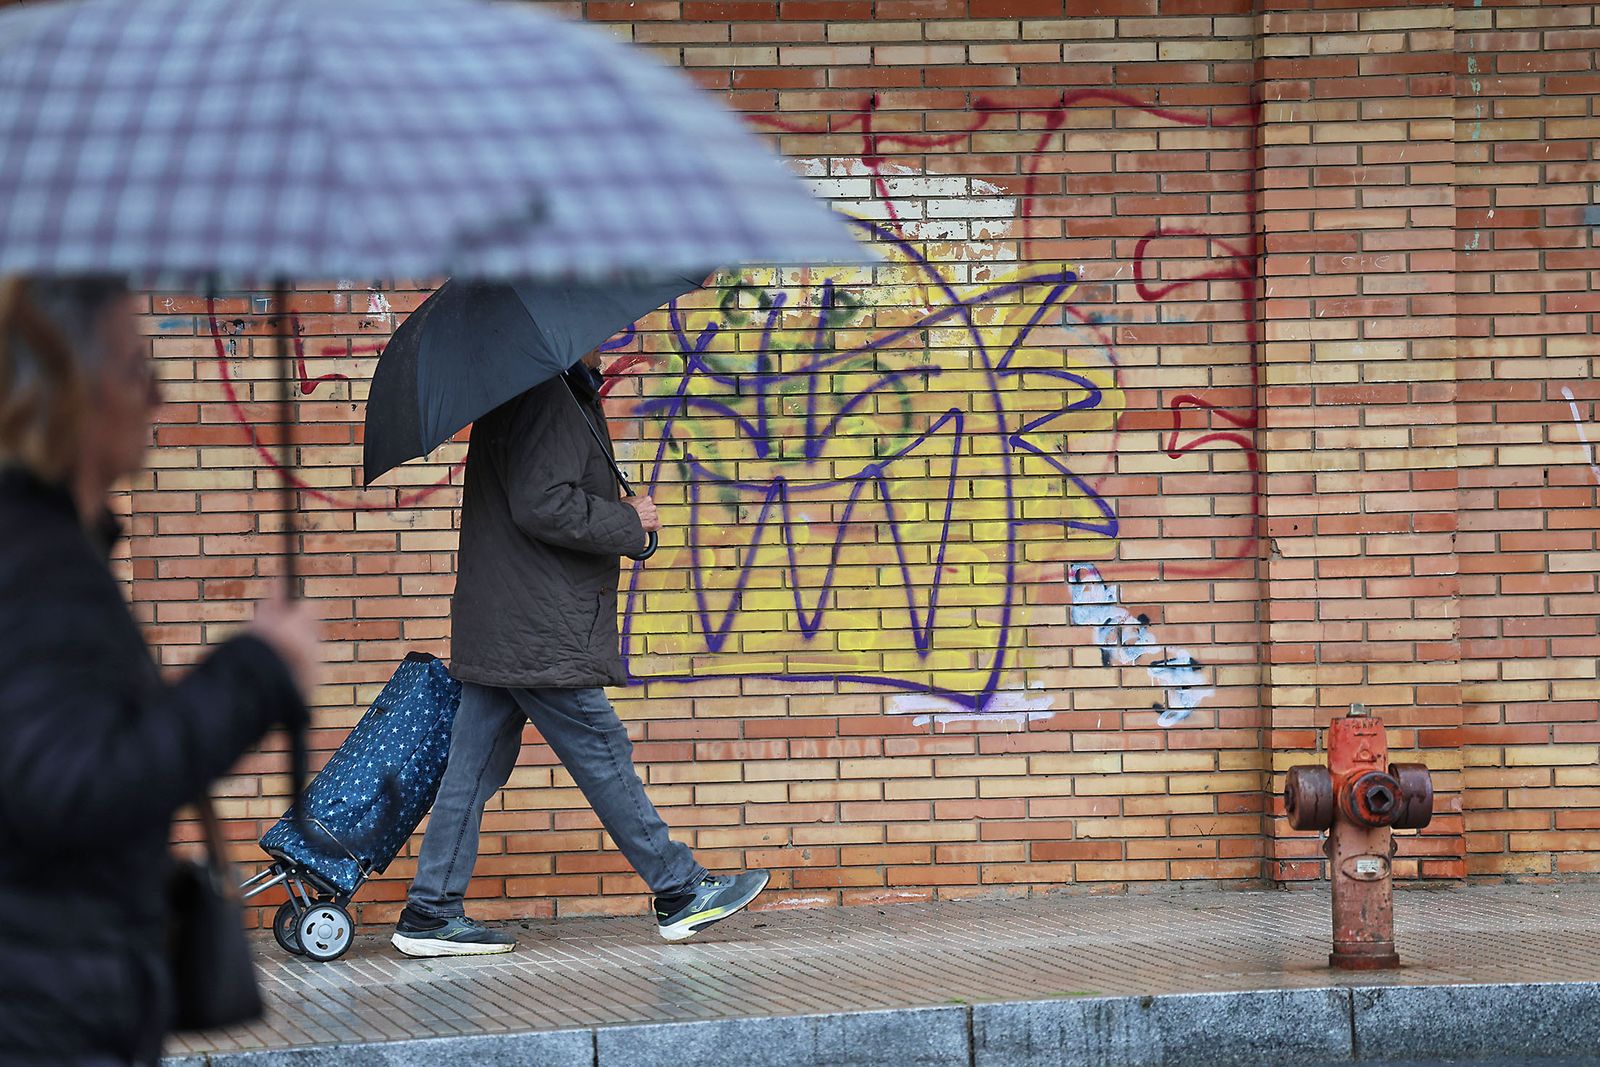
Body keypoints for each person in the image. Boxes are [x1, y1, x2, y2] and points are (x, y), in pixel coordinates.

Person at [0, 276, 321, 1066]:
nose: (158, 391)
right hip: (46, 1017)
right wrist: (256, 672)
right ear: (70, 387)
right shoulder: (34, 564)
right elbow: (64, 784)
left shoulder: (51, 546)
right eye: (135, 363)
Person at [392, 351, 768, 957]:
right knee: (601, 748)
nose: (608, 341)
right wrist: (627, 519)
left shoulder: (525, 388)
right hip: (540, 624)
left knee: (472, 766)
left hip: (506, 620)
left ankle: (430, 911)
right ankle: (679, 889)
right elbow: (541, 502)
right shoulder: (547, 394)